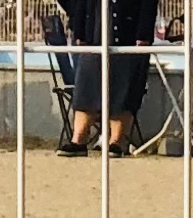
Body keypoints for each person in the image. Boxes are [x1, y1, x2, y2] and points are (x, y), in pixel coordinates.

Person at [49, 0, 154, 154]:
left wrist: (143, 34)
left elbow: (148, 5)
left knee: (122, 91)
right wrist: (79, 31)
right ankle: (78, 140)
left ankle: (117, 142)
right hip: (94, 35)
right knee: (86, 89)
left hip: (129, 36)